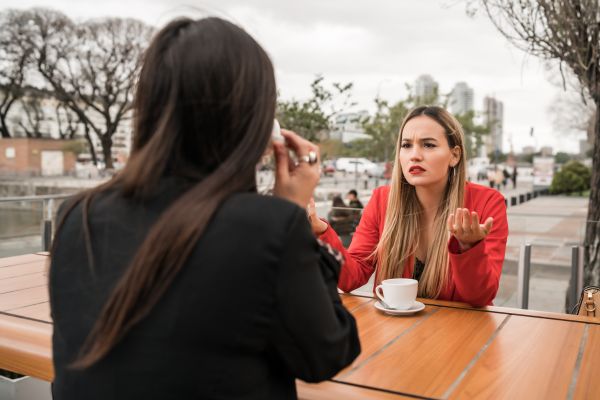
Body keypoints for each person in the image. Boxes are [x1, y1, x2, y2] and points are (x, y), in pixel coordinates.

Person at [49, 17, 359, 400]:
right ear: (253, 120)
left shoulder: (76, 215)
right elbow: (327, 354)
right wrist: (293, 214)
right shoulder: (266, 228)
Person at [309, 106, 508, 307]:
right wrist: (320, 230)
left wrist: (469, 248)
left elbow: (480, 297)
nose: (414, 155)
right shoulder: (382, 200)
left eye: (428, 145)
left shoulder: (487, 203)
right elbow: (352, 278)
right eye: (406, 145)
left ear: (454, 155)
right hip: (396, 331)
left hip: (462, 332)